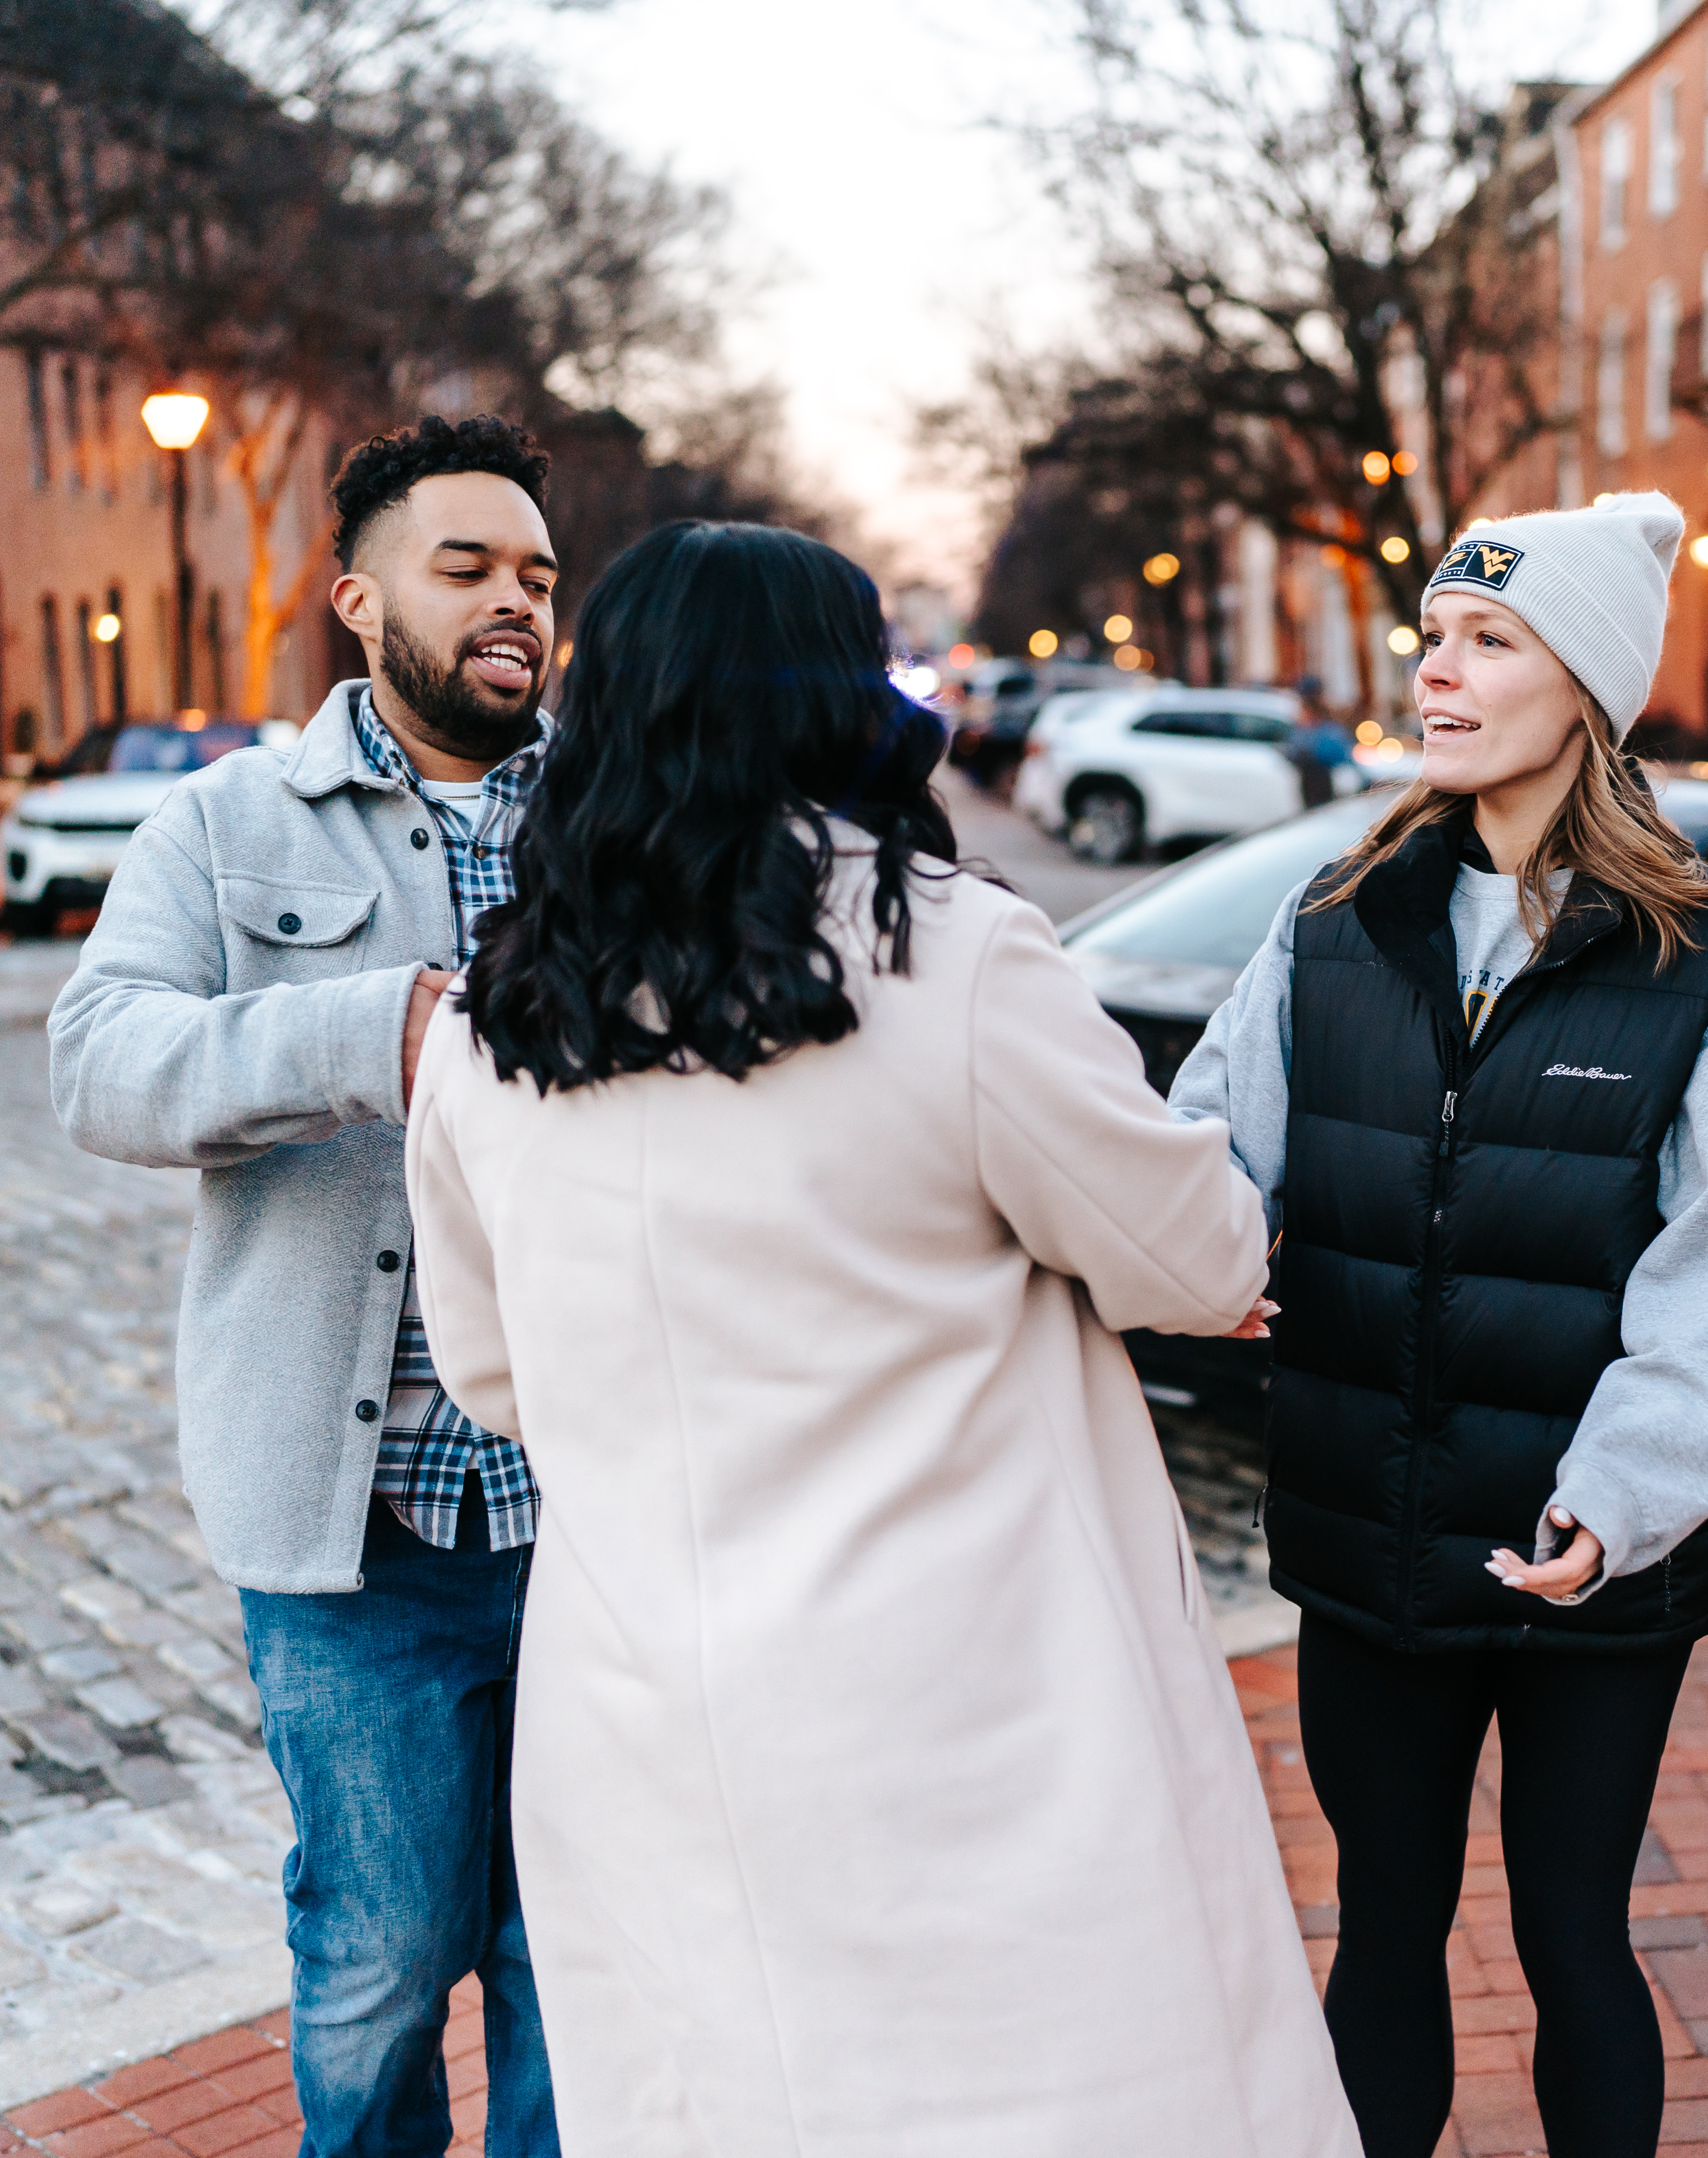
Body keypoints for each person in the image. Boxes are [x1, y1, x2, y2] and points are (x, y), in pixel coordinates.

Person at [400, 520, 1358, 2157]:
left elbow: (489, 1373)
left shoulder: (499, 1013)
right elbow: (1191, 1253)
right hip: (963, 1704)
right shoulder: (948, 952)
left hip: (641, 1705)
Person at [1172, 493, 1708, 2158]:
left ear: (1587, 687)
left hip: (1586, 1555)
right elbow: (1208, 1145)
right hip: (1368, 1533)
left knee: (1572, 1938)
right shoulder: (1335, 921)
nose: (1437, 672)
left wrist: (1617, 1499)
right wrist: (1202, 1253)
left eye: (1489, 642)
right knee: (1382, 1932)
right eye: (1433, 639)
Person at [50, 413, 565, 2155]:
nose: (517, 605)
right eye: (470, 568)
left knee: (574, 1945)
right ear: (357, 598)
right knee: (382, 1958)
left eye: (539, 577)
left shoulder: (622, 822)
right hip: (362, 1538)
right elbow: (100, 1066)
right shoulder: (223, 823)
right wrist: (366, 1030)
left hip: (604, 1512)